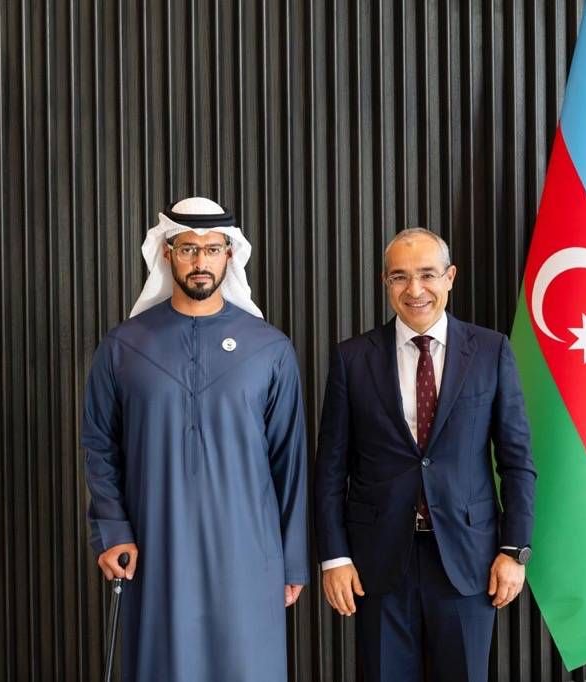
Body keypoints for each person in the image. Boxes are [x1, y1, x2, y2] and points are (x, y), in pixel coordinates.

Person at [83, 197, 309, 681]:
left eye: (212, 249)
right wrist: (114, 531)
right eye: (188, 248)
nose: (200, 261)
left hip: (249, 553)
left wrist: (292, 561)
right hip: (157, 549)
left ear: (230, 254)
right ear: (167, 254)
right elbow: (99, 446)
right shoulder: (123, 346)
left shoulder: (270, 348)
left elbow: (290, 460)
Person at [314, 227, 537, 681]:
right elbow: (331, 470)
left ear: (450, 277)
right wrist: (334, 557)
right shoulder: (351, 359)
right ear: (385, 282)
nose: (414, 289)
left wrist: (515, 551)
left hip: (469, 560)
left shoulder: (491, 351)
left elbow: (516, 460)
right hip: (377, 563)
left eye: (427, 274)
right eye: (400, 277)